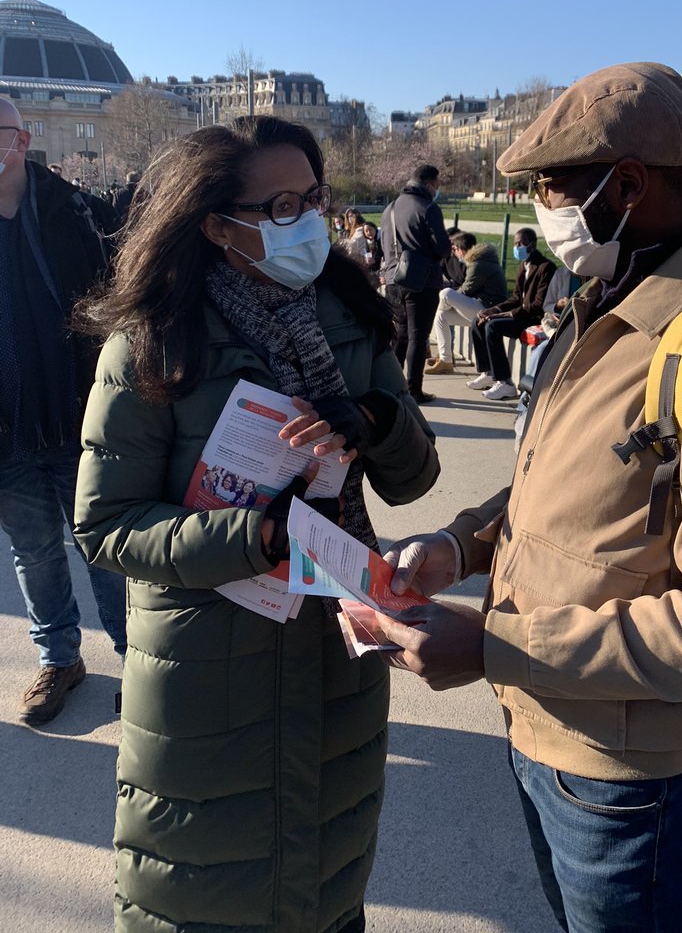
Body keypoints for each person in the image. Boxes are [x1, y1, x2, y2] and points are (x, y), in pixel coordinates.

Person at [376, 62, 682, 933]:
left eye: (552, 188)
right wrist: (460, 546)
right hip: (548, 725)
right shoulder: (608, 298)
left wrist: (493, 646)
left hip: (632, 781)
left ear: (628, 185)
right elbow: (560, 485)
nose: (542, 210)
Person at [73, 115, 440, 933]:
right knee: (205, 889)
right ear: (212, 221)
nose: (308, 221)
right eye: (281, 208)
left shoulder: (350, 314)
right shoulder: (153, 341)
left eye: (314, 199)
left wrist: (375, 418)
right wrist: (256, 538)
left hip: (338, 649)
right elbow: (104, 527)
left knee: (327, 884)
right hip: (208, 663)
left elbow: (415, 479)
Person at [0, 98, 126, 725]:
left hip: (77, 417)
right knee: (34, 552)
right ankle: (59, 659)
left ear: (20, 141)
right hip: (6, 429)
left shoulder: (76, 214)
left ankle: (142, 664)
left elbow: (119, 303)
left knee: (101, 548)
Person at [381, 163, 451, 404]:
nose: (437, 190)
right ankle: (414, 389)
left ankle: (391, 384)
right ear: (429, 184)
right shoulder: (428, 208)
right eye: (437, 185)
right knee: (417, 337)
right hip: (421, 281)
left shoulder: (389, 208)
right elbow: (442, 248)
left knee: (400, 335)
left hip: (393, 279)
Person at [467, 227, 554, 400]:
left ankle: (505, 383)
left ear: (533, 244)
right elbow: (515, 298)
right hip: (520, 315)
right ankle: (488, 373)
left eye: (522, 243)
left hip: (531, 318)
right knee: (477, 320)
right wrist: (494, 310)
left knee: (492, 326)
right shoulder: (523, 265)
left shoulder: (545, 267)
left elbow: (537, 305)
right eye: (516, 243)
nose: (518, 246)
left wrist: (501, 316)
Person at [425, 232, 508, 375]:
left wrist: (449, 301)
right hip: (481, 306)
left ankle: (444, 355)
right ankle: (446, 360)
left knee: (446, 294)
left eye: (455, 249)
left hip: (488, 309)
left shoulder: (478, 265)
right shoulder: (480, 261)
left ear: (461, 249)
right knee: (442, 316)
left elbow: (465, 291)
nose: (455, 253)